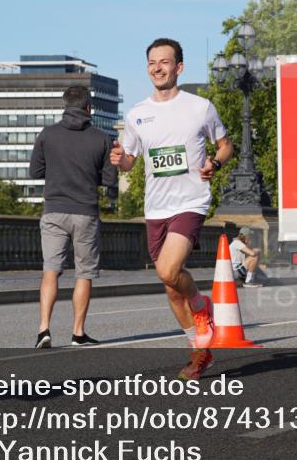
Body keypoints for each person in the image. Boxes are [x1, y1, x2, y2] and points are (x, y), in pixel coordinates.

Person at [110, 38, 233, 381]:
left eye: (164, 62)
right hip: (156, 206)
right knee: (169, 285)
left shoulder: (200, 107)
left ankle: (202, 306)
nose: (157, 68)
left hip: (191, 201)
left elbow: (225, 145)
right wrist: (121, 161)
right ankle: (199, 351)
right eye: (152, 62)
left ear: (179, 67)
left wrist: (215, 163)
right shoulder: (137, 114)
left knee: (167, 270)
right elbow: (131, 161)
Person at [29, 85, 118, 348]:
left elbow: (35, 172)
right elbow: (109, 180)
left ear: (65, 106)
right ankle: (78, 333)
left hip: (54, 210)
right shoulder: (101, 138)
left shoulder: (48, 134)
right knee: (84, 273)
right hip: (85, 212)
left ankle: (43, 329)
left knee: (50, 272)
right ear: (88, 107)